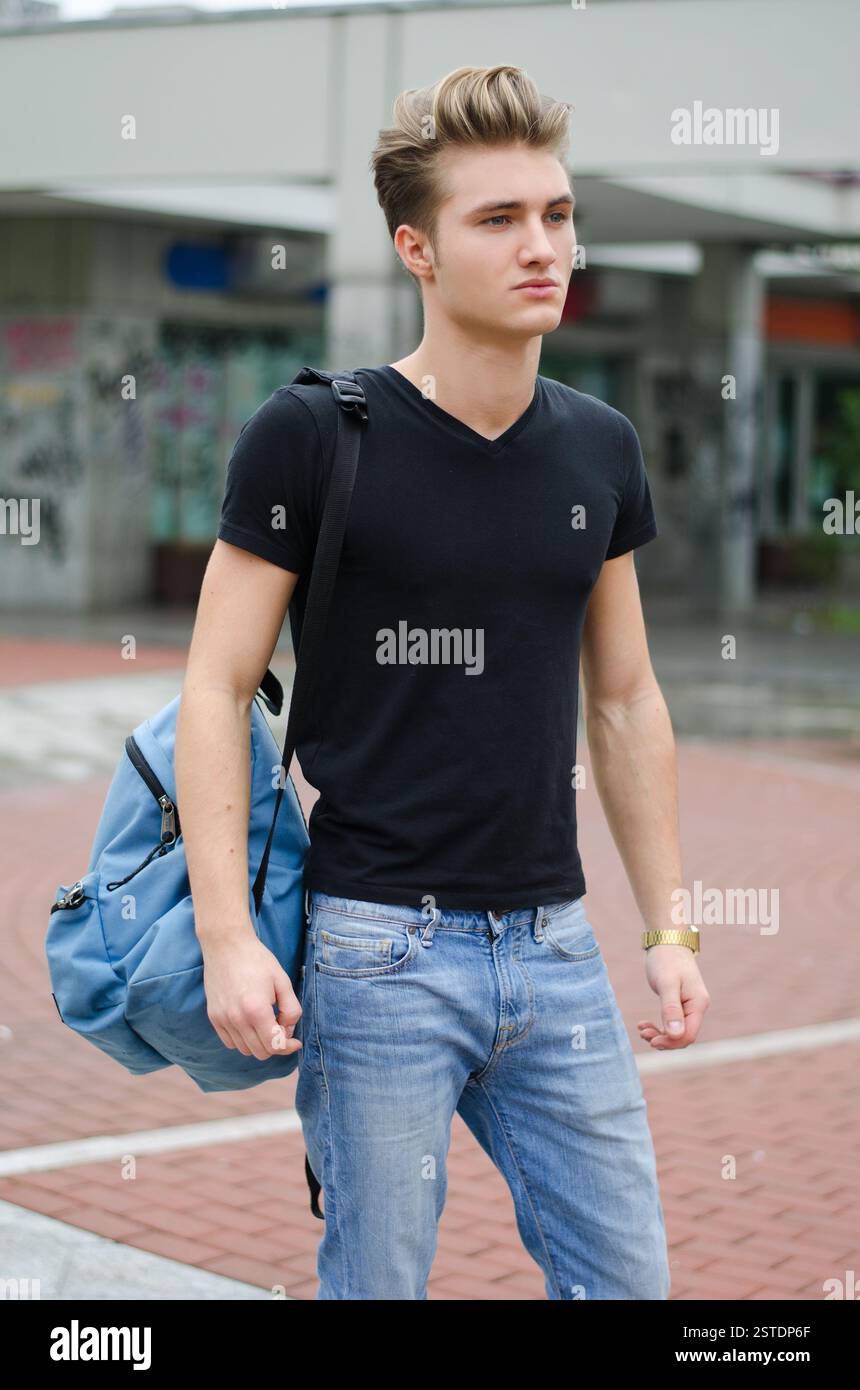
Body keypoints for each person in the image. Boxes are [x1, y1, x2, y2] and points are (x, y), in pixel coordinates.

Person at [176, 64, 709, 1300]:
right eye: (500, 220)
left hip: (554, 941)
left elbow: (624, 699)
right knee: (377, 1285)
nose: (545, 248)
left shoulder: (598, 445)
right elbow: (213, 686)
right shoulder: (313, 435)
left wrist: (669, 921)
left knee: (629, 1282)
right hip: (377, 953)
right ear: (414, 248)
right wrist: (226, 936)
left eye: (558, 215)